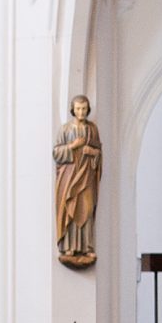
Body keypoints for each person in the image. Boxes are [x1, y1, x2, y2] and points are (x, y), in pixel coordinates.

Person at [52, 94, 102, 267]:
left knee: (86, 208)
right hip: (70, 175)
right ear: (73, 110)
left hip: (86, 175)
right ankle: (69, 247)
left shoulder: (92, 129)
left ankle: (86, 246)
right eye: (78, 108)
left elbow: (98, 152)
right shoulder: (65, 129)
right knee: (70, 206)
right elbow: (57, 153)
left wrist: (93, 152)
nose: (81, 112)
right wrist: (72, 146)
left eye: (84, 108)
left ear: (88, 109)